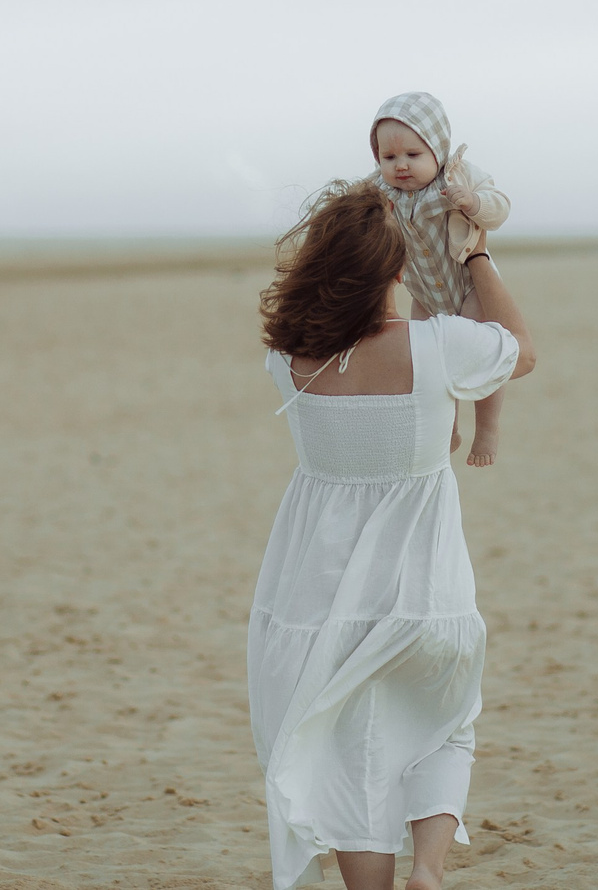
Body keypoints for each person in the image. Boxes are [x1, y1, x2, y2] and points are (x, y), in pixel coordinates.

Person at [248, 180, 538, 890]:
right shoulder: (438, 347)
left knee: (349, 763)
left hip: (319, 601)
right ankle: (429, 869)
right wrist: (475, 254)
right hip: (425, 589)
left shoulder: (287, 359)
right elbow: (519, 349)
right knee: (444, 725)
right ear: (396, 270)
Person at [369, 93, 513, 465]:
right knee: (426, 361)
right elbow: (356, 209)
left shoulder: (460, 177)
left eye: (412, 155)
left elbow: (500, 209)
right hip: (423, 294)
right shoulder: (382, 191)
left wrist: (473, 203)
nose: (400, 166)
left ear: (438, 148)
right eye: (388, 157)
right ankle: (447, 425)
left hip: (469, 285)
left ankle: (488, 429)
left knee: (485, 355)